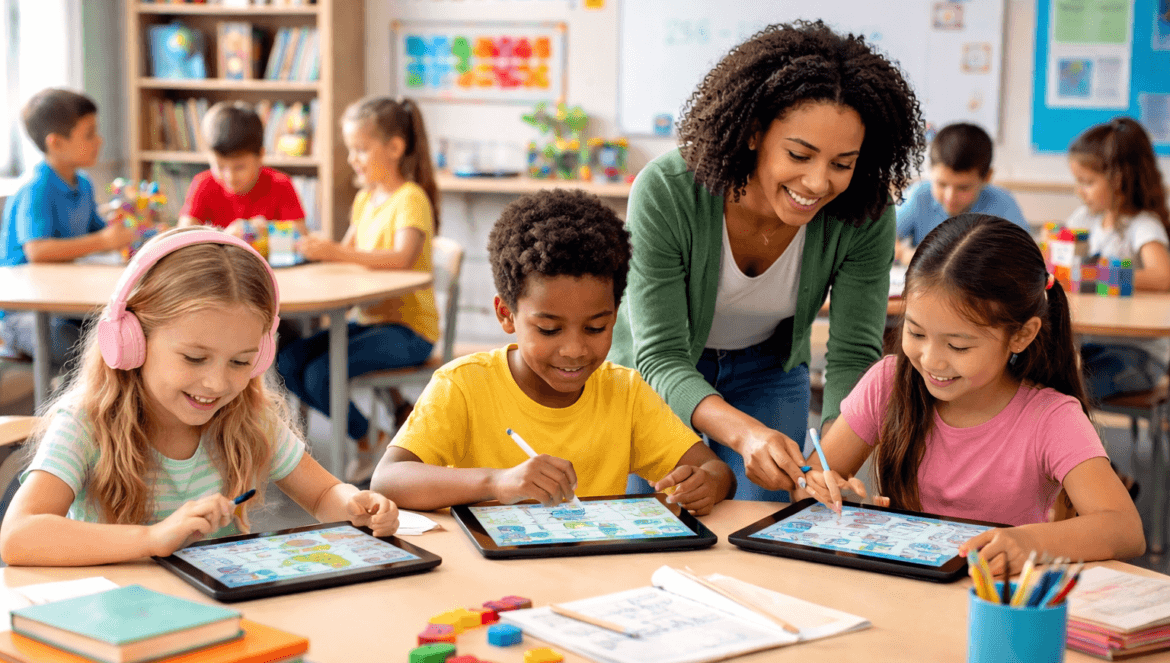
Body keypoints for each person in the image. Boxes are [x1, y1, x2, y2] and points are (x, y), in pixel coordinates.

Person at [609, 20, 925, 501]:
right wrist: (744, 434)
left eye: (842, 164)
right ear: (755, 132)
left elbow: (852, 355)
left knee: (771, 525)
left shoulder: (865, 210)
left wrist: (827, 469)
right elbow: (660, 355)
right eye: (800, 154)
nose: (819, 183)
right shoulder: (668, 191)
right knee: (649, 518)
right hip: (661, 374)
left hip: (767, 370)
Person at [0, 228, 398, 566]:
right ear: (132, 340)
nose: (216, 384)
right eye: (194, 357)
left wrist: (353, 505)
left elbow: (324, 492)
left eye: (241, 362)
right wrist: (152, 539)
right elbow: (17, 535)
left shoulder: (248, 416)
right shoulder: (86, 421)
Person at [800, 214, 1145, 575]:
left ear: (1021, 336)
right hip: (903, 593)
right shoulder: (888, 382)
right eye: (916, 334)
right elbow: (812, 481)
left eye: (958, 346)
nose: (931, 360)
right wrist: (820, 486)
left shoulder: (1051, 417)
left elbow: (1125, 528)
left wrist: (1028, 543)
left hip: (996, 601)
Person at [370, 189, 735, 513]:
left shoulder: (625, 394)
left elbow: (716, 471)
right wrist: (496, 482)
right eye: (548, 329)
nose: (574, 350)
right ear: (506, 314)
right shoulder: (463, 386)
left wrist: (706, 484)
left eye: (596, 327)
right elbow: (388, 480)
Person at [277, 96, 439, 484]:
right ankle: (375, 429)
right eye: (351, 149)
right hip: (368, 319)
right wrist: (317, 250)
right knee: (287, 362)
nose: (353, 159)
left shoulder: (410, 198)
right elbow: (347, 254)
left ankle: (367, 437)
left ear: (395, 148)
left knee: (319, 375)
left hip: (409, 331)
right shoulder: (366, 198)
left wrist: (336, 250)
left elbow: (402, 257)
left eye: (361, 149)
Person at [0, 88, 135, 369]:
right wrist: (104, 240)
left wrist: (123, 229)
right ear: (57, 143)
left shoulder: (82, 183)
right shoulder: (36, 187)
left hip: (63, 302)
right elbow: (38, 250)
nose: (99, 140)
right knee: (80, 349)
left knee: (119, 332)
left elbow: (100, 233)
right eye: (89, 134)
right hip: (24, 313)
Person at [1065, 117, 1170, 400]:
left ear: (1118, 180)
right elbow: (1062, 259)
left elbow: (1162, 276)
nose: (1079, 191)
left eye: (1087, 182)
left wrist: (1101, 274)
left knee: (1072, 390)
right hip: (1091, 343)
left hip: (1139, 355)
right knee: (1044, 377)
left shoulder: (1142, 225)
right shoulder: (1085, 219)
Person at [894, 122, 1028, 265]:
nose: (950, 196)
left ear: (987, 177)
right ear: (930, 170)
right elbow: (880, 239)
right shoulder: (918, 196)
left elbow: (1025, 255)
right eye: (942, 184)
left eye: (963, 188)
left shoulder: (1003, 204)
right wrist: (903, 253)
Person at [178, 101, 307, 236]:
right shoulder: (203, 184)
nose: (230, 177)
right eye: (220, 166)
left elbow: (301, 236)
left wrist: (265, 230)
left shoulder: (280, 184)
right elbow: (183, 235)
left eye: (239, 167)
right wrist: (225, 236)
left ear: (260, 156)